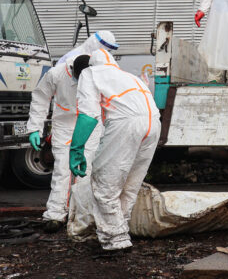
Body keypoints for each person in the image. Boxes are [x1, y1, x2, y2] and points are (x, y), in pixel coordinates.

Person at [69, 48, 160, 251]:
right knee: (129, 185)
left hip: (125, 124)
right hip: (153, 123)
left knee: (104, 184)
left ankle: (114, 240)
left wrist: (76, 148)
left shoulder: (89, 73)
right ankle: (120, 231)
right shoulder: (128, 76)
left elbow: (88, 114)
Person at [26, 54, 103, 233]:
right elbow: (40, 98)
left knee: (86, 170)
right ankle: (55, 214)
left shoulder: (98, 74)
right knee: (62, 169)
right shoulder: (56, 74)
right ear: (72, 71)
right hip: (65, 125)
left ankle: (82, 217)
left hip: (90, 124)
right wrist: (35, 128)